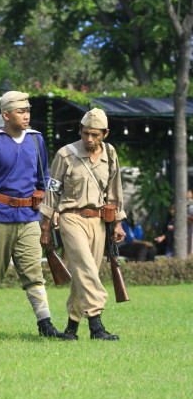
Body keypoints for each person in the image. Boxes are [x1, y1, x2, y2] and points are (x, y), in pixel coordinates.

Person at [0, 91, 71, 340]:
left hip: (29, 217)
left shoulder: (36, 140)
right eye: (20, 111)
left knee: (33, 273)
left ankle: (45, 323)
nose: (26, 116)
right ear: (6, 115)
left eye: (27, 111)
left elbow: (44, 178)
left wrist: (50, 209)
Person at [40, 108, 126, 340]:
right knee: (86, 268)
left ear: (105, 134)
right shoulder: (66, 154)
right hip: (71, 218)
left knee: (83, 273)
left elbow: (115, 189)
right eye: (86, 133)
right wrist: (45, 226)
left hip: (99, 220)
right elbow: (52, 190)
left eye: (95, 135)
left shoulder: (110, 153)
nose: (89, 139)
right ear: (80, 130)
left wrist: (118, 222)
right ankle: (97, 325)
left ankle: (71, 328)